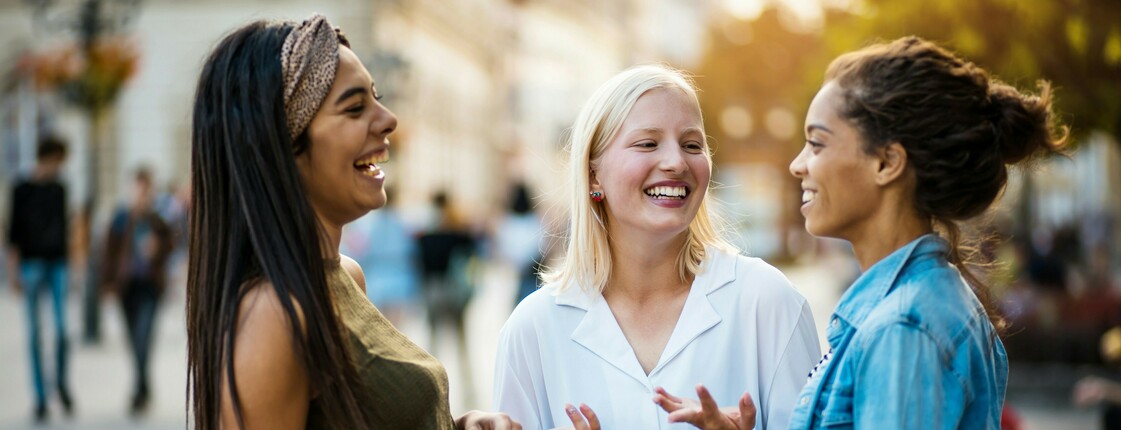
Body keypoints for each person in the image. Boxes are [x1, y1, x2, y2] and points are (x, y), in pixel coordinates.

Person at [657, 36, 1067, 429]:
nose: (798, 165)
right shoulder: (911, 308)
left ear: (887, 162)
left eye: (817, 144)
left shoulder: (904, 329)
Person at [186, 14, 519, 429]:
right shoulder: (273, 314)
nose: (388, 120)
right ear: (281, 145)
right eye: (355, 107)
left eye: (376, 98)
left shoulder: (344, 274)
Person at [492, 64, 820, 430]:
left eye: (692, 145)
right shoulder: (533, 328)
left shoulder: (768, 302)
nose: (676, 162)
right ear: (592, 174)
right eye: (648, 143)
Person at [5, 135, 74, 422]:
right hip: (31, 265)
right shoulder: (21, 188)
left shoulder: (60, 188)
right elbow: (12, 233)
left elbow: (66, 227)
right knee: (34, 335)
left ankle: (59, 382)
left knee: (60, 330)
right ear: (50, 157)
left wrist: (75, 265)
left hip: (58, 264)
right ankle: (40, 397)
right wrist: (13, 272)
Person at [101, 166, 174, 415]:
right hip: (127, 288)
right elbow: (108, 252)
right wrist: (107, 285)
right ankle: (143, 387)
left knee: (144, 339)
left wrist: (158, 245)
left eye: (146, 187)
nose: (142, 192)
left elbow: (171, 244)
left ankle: (138, 391)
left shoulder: (157, 220)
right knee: (134, 342)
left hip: (150, 288)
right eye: (138, 187)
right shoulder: (121, 218)